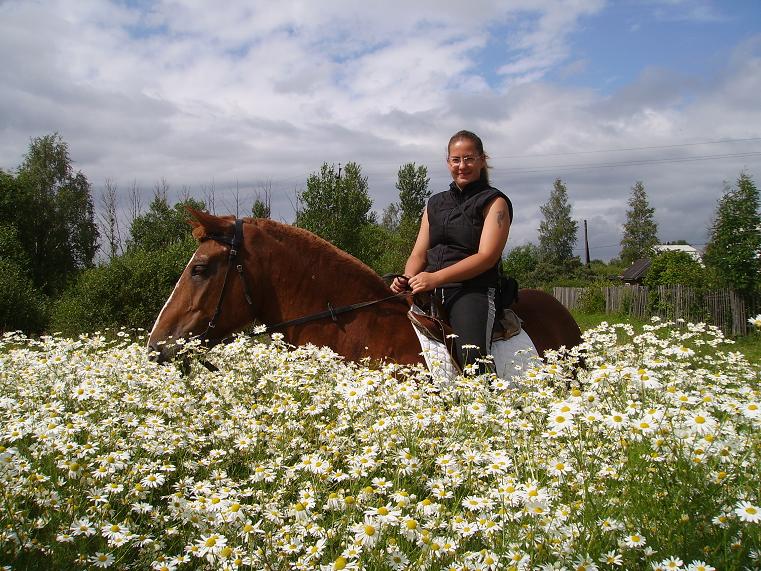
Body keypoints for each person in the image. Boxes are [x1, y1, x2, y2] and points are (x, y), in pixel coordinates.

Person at [391, 130, 512, 372]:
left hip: (471, 289)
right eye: (455, 160)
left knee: (472, 358)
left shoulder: (494, 202)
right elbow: (419, 254)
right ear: (448, 162)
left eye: (468, 158)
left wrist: (435, 278)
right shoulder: (435, 203)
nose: (462, 165)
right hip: (427, 285)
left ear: (481, 160)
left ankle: (481, 397)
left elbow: (486, 257)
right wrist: (407, 278)